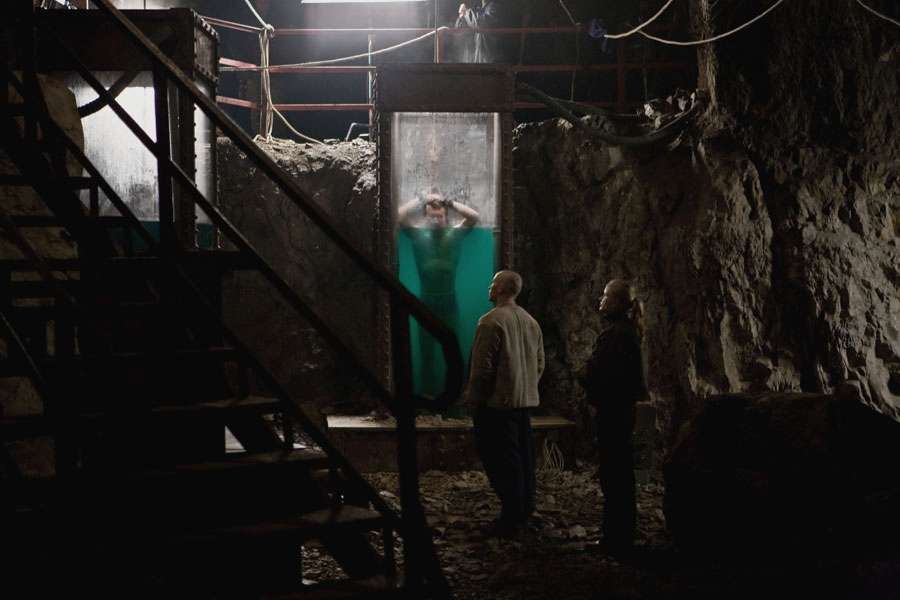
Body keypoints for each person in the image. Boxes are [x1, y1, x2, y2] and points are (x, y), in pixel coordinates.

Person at [466, 270, 545, 537]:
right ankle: (525, 510)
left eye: (493, 283)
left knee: (500, 460)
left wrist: (475, 399)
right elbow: (540, 363)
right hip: (524, 403)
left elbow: (482, 370)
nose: (489, 287)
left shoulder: (490, 321)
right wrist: (526, 389)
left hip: (496, 405)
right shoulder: (531, 322)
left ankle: (511, 516)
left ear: (500, 288)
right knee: (523, 458)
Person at [582, 279, 646, 554]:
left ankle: (615, 539)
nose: (601, 300)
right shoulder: (627, 333)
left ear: (619, 303)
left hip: (613, 412)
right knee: (620, 473)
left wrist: (585, 375)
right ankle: (621, 535)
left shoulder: (615, 337)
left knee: (614, 475)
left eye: (606, 296)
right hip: (621, 411)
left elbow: (604, 376)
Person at [397, 188, 480, 397]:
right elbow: (399, 216)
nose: (435, 220)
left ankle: (454, 398)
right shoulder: (419, 236)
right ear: (425, 217)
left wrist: (449, 202)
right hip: (426, 302)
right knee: (427, 354)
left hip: (449, 301)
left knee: (453, 353)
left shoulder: (454, 235)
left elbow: (473, 217)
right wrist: (422, 199)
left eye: (439, 216)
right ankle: (428, 397)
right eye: (431, 217)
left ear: (445, 216)